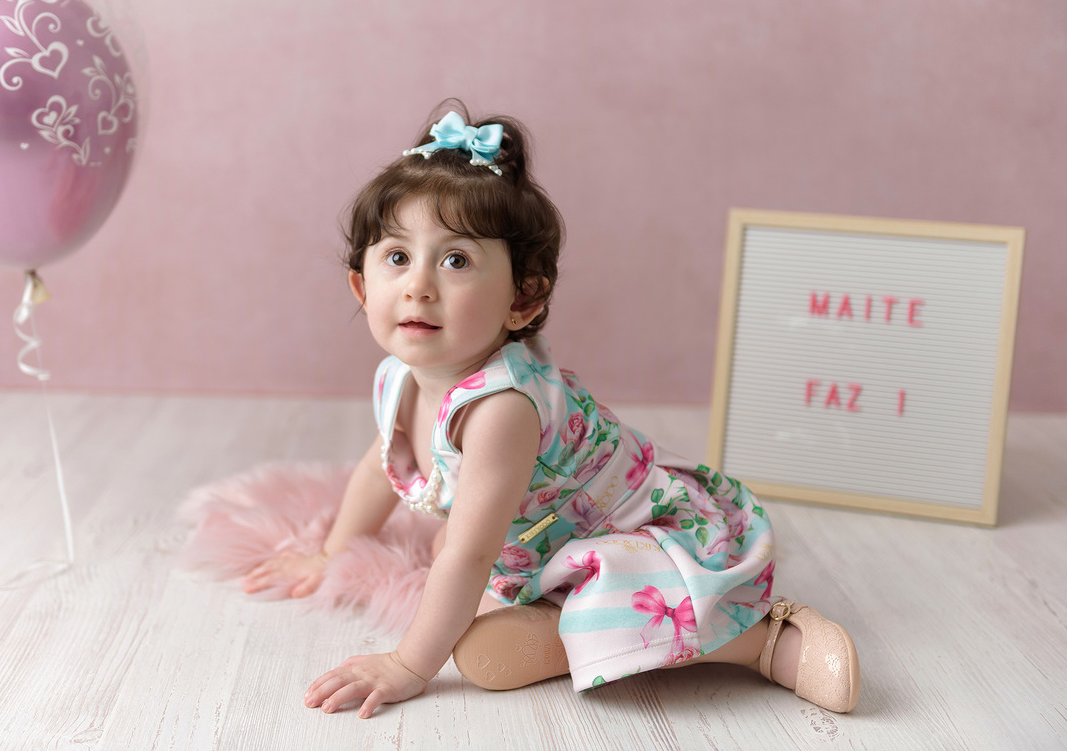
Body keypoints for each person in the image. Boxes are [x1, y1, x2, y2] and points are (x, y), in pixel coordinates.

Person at [242, 102, 860, 719]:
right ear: (362, 284)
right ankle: (571, 625)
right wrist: (333, 552)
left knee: (515, 587)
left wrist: (407, 664)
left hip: (630, 532)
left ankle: (762, 641)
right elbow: (383, 463)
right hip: (544, 542)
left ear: (523, 299)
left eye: (456, 260)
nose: (418, 285)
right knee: (478, 643)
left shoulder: (502, 408)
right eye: (398, 258)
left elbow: (468, 554)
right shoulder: (401, 374)